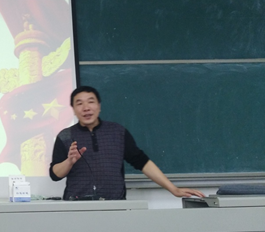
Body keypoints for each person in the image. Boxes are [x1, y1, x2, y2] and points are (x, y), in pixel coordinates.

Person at [50, 86, 205, 200]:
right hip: (77, 206)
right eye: (79, 103)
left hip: (115, 205)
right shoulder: (66, 136)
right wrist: (69, 161)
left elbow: (142, 162)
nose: (86, 108)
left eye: (91, 102)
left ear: (99, 106)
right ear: (73, 109)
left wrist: (173, 189)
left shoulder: (117, 132)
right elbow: (55, 174)